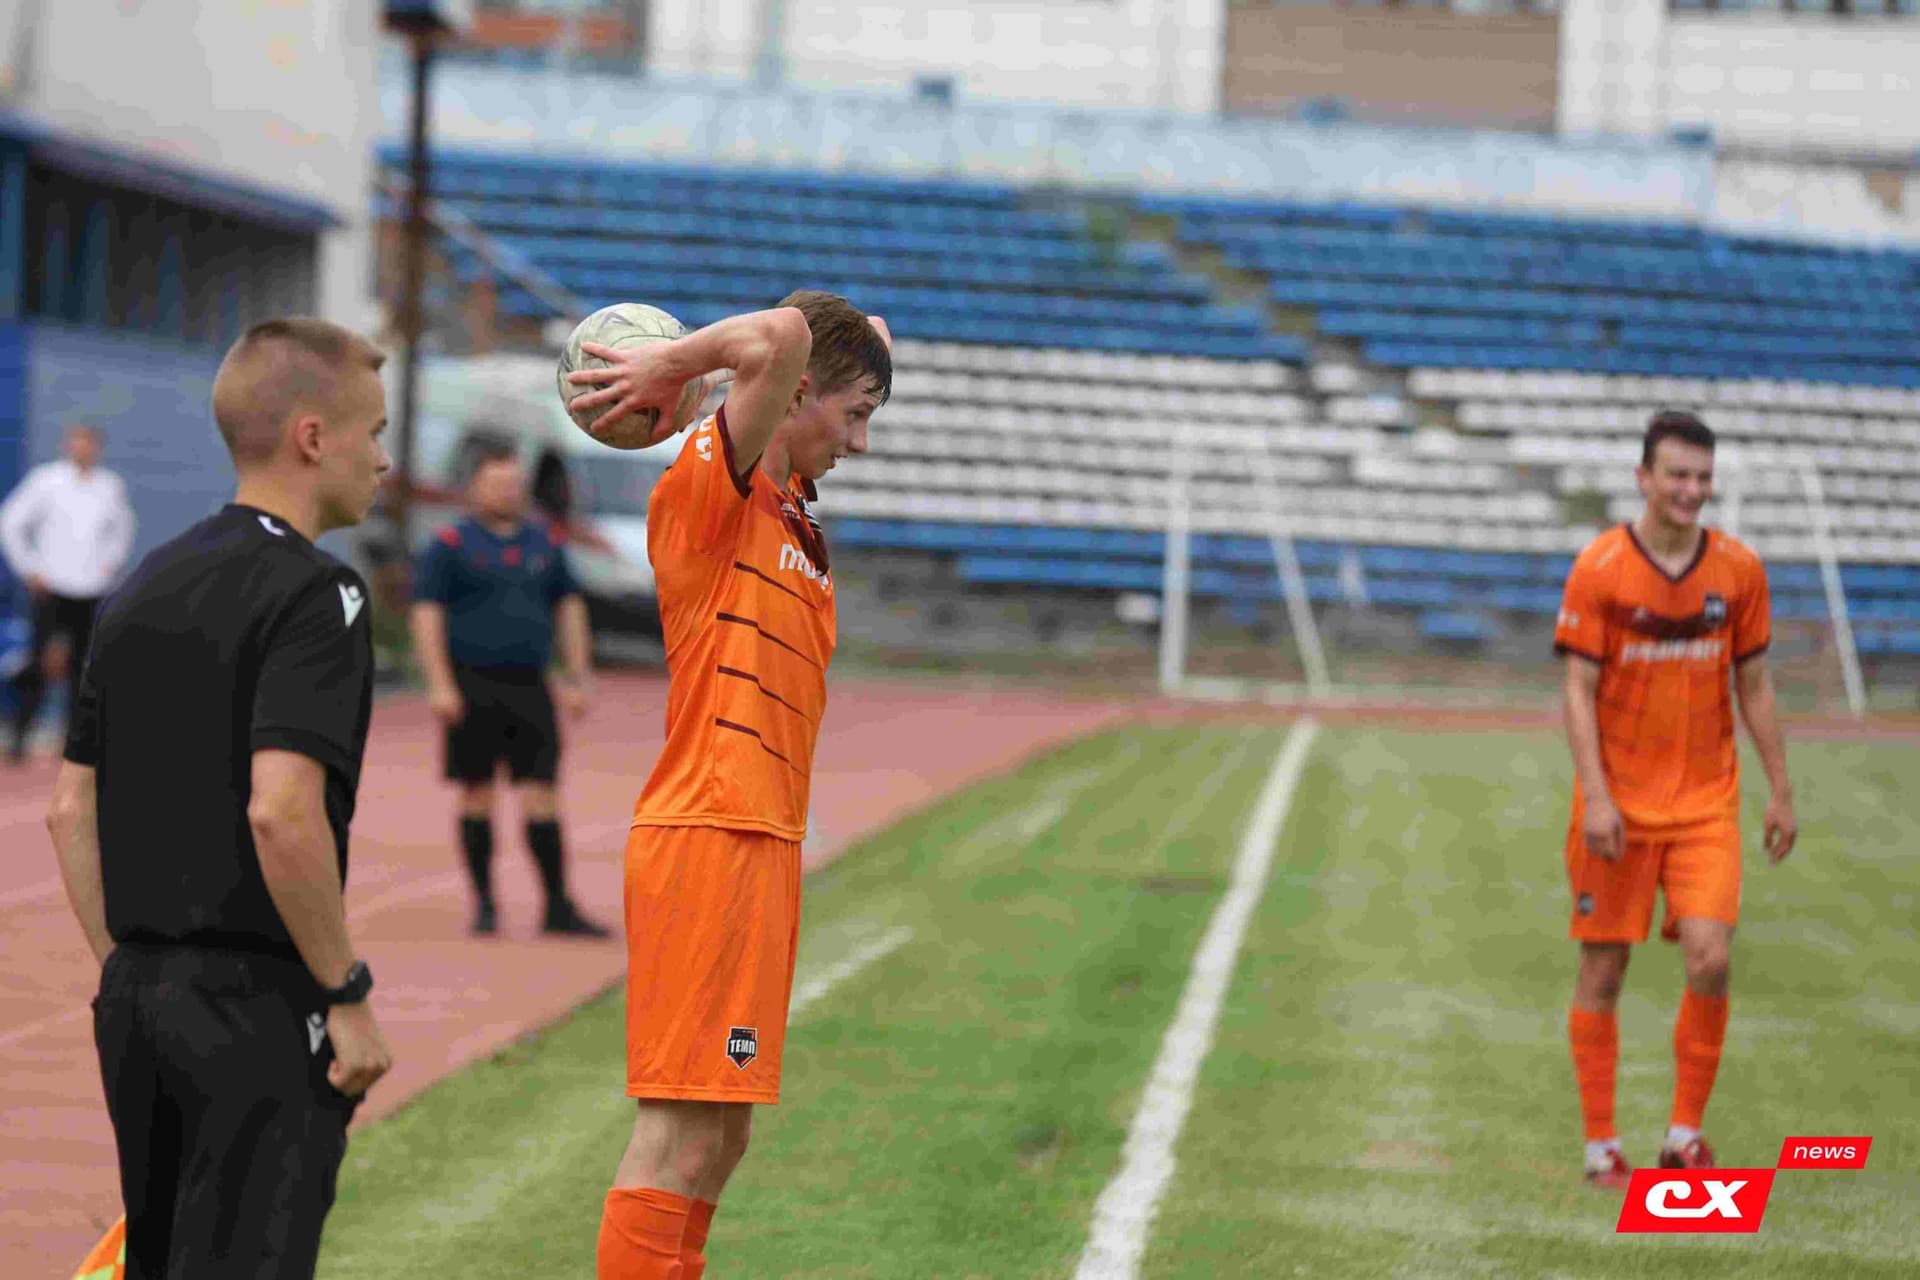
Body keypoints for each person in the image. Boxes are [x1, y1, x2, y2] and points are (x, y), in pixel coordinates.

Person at [46, 318, 397, 1277]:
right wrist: (345, 991)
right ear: (313, 439)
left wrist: (130, 972)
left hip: (140, 1003)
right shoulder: (319, 594)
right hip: (255, 1005)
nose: (387, 460)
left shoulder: (140, 583)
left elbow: (70, 812)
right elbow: (280, 810)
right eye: (374, 432)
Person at [564, 290, 889, 1280]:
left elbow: (821, 334)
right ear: (793, 396)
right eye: (857, 414)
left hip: (758, 838)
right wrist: (674, 368)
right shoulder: (715, 487)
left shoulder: (788, 507)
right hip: (709, 831)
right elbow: (785, 335)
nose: (862, 442)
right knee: (677, 1137)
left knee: (723, 1139)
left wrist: (855, 346)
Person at [1554, 409, 1797, 1189]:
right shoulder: (1599, 570)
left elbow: (1753, 683)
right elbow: (1577, 689)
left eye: (1701, 476)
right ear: (1644, 479)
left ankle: (1683, 1135)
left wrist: (1780, 790)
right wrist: (1596, 796)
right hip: (1617, 809)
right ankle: (1601, 1147)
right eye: (1677, 475)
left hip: (1705, 804)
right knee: (1604, 972)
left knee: (1711, 955)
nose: (1692, 490)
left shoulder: (1739, 572)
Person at [409, 442, 609, 938]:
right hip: (471, 686)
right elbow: (427, 614)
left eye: (515, 484)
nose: (509, 491)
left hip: (531, 687)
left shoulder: (546, 543)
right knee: (477, 794)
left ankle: (557, 907)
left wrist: (578, 673)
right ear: (474, 487)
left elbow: (570, 607)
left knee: (542, 794)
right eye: (498, 483)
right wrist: (438, 683)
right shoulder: (450, 546)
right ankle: (485, 904)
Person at [0, 423, 135, 761]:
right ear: (67, 446)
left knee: (82, 667)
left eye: (89, 443)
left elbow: (123, 530)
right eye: (77, 442)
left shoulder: (110, 487)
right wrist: (29, 568)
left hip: (90, 590)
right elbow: (11, 522)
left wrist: (110, 565)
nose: (82, 449)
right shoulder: (46, 482)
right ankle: (20, 735)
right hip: (51, 587)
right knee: (36, 660)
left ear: (97, 448)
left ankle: (75, 741)